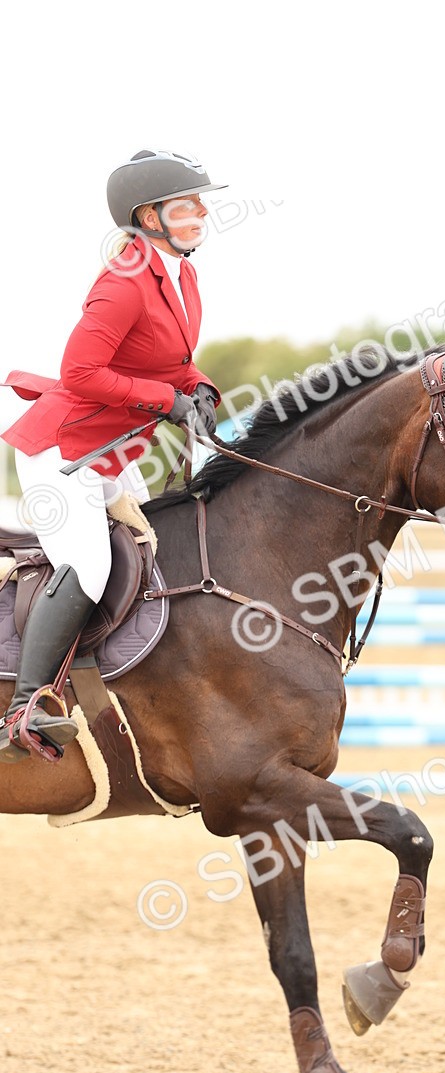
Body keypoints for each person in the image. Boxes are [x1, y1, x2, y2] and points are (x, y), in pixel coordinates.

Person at [0, 149, 226, 762]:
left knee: (161, 547)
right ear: (149, 216)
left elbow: (170, 361)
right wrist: (164, 400)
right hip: (64, 450)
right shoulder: (123, 282)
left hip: (112, 452)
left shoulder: (181, 276)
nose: (204, 210)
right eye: (189, 203)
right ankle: (25, 710)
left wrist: (195, 385)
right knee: (92, 566)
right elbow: (81, 371)